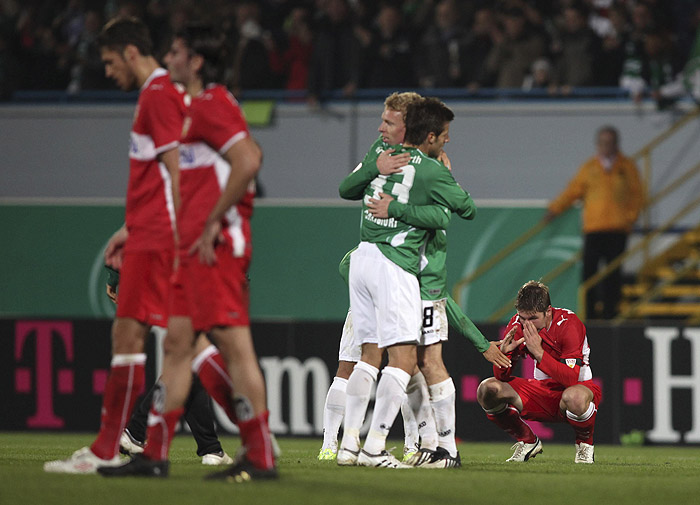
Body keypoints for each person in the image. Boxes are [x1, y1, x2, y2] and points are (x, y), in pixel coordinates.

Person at [99, 23, 276, 481]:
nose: (169, 59)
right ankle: (152, 454)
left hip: (217, 248)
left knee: (236, 349)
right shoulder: (196, 109)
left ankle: (260, 455)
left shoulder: (214, 104)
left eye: (176, 52)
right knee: (177, 348)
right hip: (193, 249)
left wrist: (216, 217)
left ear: (195, 61)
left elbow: (250, 160)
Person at [317, 93, 510, 465]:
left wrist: (384, 185)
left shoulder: (385, 160)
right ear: (429, 134)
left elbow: (350, 192)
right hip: (401, 275)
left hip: (372, 264)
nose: (381, 129)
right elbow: (457, 212)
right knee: (413, 362)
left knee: (382, 361)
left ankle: (358, 446)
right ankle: (402, 447)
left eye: (388, 123)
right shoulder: (419, 167)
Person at [44, 16, 186, 475]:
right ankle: (152, 448)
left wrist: (178, 232)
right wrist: (130, 226)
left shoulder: (159, 94)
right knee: (186, 343)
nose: (106, 72)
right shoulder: (158, 93)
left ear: (130, 52)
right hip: (148, 232)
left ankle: (108, 448)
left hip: (160, 237)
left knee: (134, 337)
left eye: (108, 61)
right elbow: (157, 176)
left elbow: (178, 170)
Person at [105, 265, 233, 465]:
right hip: (198, 278)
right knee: (189, 359)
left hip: (175, 278)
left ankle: (211, 448)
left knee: (189, 364)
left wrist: (115, 276)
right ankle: (136, 432)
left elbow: (138, 236)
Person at [476, 280, 602, 464]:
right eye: (522, 318)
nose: (527, 325)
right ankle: (527, 440)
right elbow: (501, 377)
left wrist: (539, 353)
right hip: (542, 391)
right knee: (487, 389)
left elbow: (570, 378)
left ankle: (584, 444)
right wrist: (505, 354)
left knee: (574, 397)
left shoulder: (569, 324)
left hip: (578, 389)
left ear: (548, 312)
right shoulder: (517, 324)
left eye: (533, 318)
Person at [543, 126, 643, 319]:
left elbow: (637, 195)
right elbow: (573, 191)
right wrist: (556, 208)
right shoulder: (589, 168)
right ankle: (590, 315)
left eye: (611, 142)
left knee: (613, 275)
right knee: (589, 272)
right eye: (604, 143)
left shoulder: (627, 167)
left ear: (617, 144)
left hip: (617, 229)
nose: (607, 146)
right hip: (594, 229)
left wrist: (629, 218)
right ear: (598, 145)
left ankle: (610, 313)